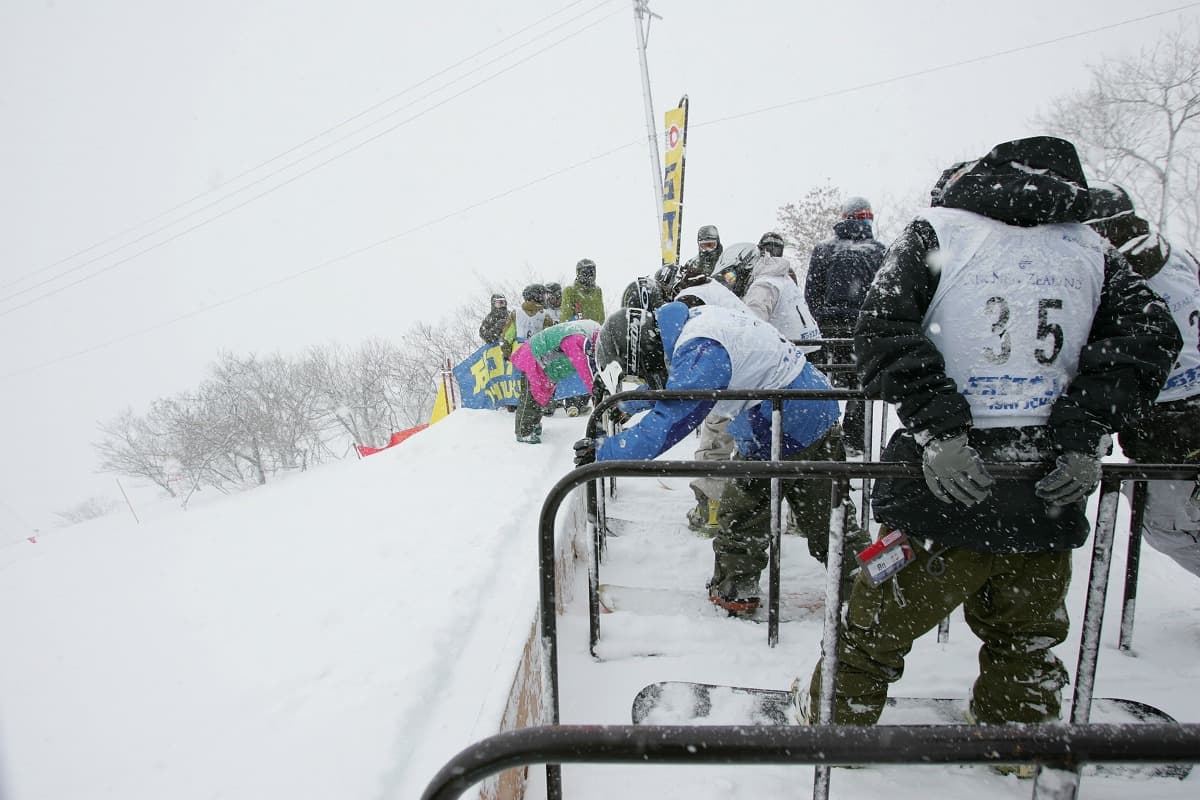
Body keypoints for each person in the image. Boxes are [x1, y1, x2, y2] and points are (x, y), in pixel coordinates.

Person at [795, 137, 1180, 740]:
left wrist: (940, 425)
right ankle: (1018, 733)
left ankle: (836, 723)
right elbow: (1150, 338)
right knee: (1026, 636)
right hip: (1045, 484)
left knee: (874, 622)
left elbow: (880, 329)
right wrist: (1082, 433)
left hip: (941, 483)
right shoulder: (1093, 249)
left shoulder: (939, 232)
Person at [574, 301, 870, 615]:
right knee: (827, 514)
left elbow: (674, 416)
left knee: (748, 509)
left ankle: (738, 590)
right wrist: (629, 405)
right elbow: (675, 383)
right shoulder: (694, 328)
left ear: (640, 350)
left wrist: (604, 452)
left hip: (787, 421)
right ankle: (869, 581)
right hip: (802, 411)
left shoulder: (703, 349)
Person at [1086, 181, 1200, 578]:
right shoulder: (1177, 254)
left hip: (1168, 426)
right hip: (1177, 419)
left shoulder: (1118, 276)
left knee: (1166, 526)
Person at [805, 196, 887, 456]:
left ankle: (825, 437)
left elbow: (811, 293)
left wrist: (822, 319)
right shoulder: (880, 252)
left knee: (821, 385)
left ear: (844, 218)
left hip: (827, 332)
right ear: (869, 219)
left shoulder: (824, 250)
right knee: (859, 389)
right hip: (863, 332)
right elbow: (884, 295)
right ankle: (854, 443)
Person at [510, 318, 601, 444]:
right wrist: (595, 390)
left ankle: (534, 424)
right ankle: (523, 432)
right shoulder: (576, 338)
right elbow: (585, 368)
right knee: (530, 399)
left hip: (545, 365)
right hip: (533, 359)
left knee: (541, 397)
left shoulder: (585, 335)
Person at [561, 260, 606, 416]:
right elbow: (566, 314)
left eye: (592, 271)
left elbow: (600, 313)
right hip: (577, 332)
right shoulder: (570, 290)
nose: (589, 275)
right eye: (586, 272)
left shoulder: (597, 290)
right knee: (576, 366)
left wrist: (602, 330)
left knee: (592, 367)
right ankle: (571, 402)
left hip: (594, 333)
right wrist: (567, 331)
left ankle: (584, 400)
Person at [501, 283, 548, 359]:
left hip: (518, 354)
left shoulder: (516, 313)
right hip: (537, 355)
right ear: (537, 297)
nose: (545, 298)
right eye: (543, 296)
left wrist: (506, 354)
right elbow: (548, 338)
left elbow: (507, 336)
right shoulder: (545, 315)